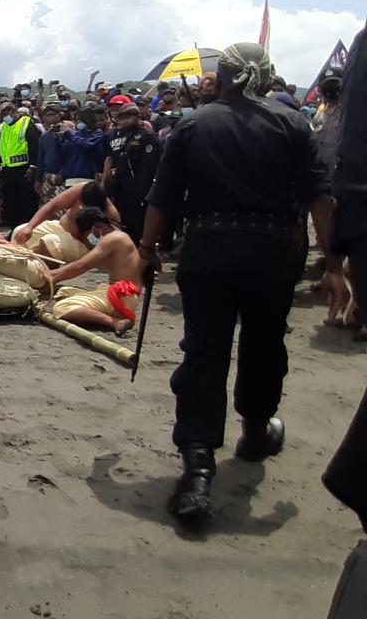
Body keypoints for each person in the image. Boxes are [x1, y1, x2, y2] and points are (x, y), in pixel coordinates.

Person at [141, 42, 346, 523]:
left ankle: (197, 470)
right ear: (268, 75)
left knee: (204, 353)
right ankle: (255, 431)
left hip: (209, 248)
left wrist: (148, 250)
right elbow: (321, 198)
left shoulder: (194, 123)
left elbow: (162, 198)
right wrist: (333, 263)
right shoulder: (293, 122)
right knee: (264, 344)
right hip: (274, 252)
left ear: (225, 75)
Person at [46, 207, 144, 336]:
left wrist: (51, 277)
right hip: (123, 295)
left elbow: (81, 266)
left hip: (121, 297)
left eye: (86, 235)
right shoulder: (118, 236)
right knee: (65, 292)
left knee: (61, 307)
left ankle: (114, 321)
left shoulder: (113, 239)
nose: (88, 239)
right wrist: (52, 275)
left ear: (96, 227)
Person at [13, 181, 120, 262]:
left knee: (50, 242)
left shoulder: (111, 215)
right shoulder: (81, 189)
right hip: (59, 227)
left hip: (82, 244)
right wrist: (30, 227)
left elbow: (105, 246)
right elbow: (51, 206)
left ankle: (45, 280)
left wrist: (86, 238)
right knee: (20, 231)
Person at [102, 103, 161, 244]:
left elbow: (149, 168)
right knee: (122, 222)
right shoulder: (117, 136)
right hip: (120, 187)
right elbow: (112, 158)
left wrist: (143, 192)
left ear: (138, 117)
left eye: (129, 117)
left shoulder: (146, 136)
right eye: (122, 118)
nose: (125, 121)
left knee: (138, 225)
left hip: (139, 187)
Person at [0, 103, 41, 228]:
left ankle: (25, 228)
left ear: (13, 111)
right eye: (2, 114)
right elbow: (1, 147)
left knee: (25, 201)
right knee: (10, 202)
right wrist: (0, 165)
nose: (3, 116)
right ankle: (13, 229)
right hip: (7, 170)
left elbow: (34, 146)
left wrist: (32, 166)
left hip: (23, 169)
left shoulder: (26, 123)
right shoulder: (3, 127)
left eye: (5, 113)